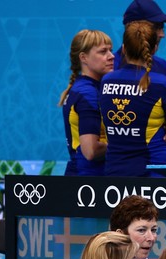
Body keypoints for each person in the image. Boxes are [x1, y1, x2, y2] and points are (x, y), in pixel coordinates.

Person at [100, 21, 166, 176]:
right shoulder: (163, 84)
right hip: (154, 174)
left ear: (124, 49)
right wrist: (163, 134)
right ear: (155, 48)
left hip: (115, 174)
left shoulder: (106, 81)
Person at [59, 29, 115, 176]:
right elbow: (91, 151)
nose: (111, 56)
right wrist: (129, 145)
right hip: (88, 180)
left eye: (110, 50)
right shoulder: (87, 93)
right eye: (103, 52)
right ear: (83, 58)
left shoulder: (87, 88)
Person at [115, 0, 166, 79]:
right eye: (156, 27)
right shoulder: (109, 65)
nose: (162, 35)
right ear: (134, 28)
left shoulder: (163, 67)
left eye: (162, 28)